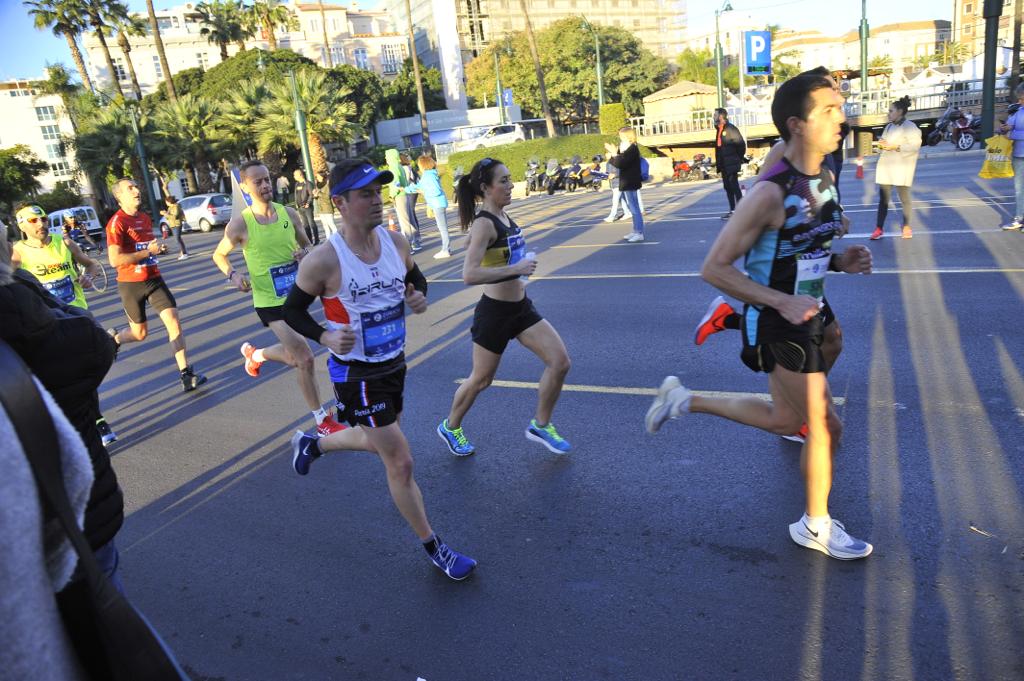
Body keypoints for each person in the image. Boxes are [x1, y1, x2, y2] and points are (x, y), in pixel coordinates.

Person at [645, 74, 874, 560]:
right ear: (797, 124)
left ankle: (683, 400)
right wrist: (778, 302)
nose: (843, 117)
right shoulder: (768, 194)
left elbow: (804, 245)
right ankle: (815, 524)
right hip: (777, 320)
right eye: (830, 110)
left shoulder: (824, 177)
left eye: (842, 106)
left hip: (808, 306)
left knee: (785, 417)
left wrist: (839, 260)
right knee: (824, 421)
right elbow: (714, 267)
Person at [281, 158, 477, 581]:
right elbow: (291, 310)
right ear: (340, 202)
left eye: (378, 191)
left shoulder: (396, 242)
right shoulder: (323, 261)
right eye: (366, 193)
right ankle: (435, 548)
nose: (377, 200)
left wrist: (418, 297)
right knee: (400, 460)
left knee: (380, 442)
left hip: (394, 364)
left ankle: (313, 445)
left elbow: (417, 281)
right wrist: (324, 337)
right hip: (355, 375)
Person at [694, 67, 851, 444]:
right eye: (832, 97)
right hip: (782, 281)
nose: (840, 106)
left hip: (807, 277)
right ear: (800, 120)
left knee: (833, 341)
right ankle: (806, 412)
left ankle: (799, 404)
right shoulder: (787, 150)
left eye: (840, 97)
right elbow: (771, 198)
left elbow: (813, 196)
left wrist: (832, 217)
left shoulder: (827, 143)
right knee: (825, 428)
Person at [1, 226, 127, 587]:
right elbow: (96, 346)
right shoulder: (21, 286)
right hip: (75, 516)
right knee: (103, 615)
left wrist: (83, 274)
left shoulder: (61, 243)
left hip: (32, 528)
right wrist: (26, 286)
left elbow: (89, 264)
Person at [436, 157, 572, 457]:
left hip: (521, 309)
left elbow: (488, 253)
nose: (511, 186)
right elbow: (469, 275)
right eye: (504, 181)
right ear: (485, 188)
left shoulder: (500, 218)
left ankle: (540, 424)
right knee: (481, 379)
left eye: (511, 179)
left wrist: (514, 264)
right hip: (495, 313)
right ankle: (451, 426)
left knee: (560, 362)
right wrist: (517, 268)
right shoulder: (485, 223)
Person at [212, 160, 346, 438]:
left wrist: (305, 254)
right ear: (246, 188)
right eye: (257, 182)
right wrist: (234, 276)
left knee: (294, 356)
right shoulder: (240, 224)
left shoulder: (289, 214)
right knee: (305, 358)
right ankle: (321, 420)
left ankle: (255, 354)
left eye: (267, 179)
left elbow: (308, 245)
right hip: (269, 303)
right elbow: (219, 254)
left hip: (296, 299)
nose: (265, 185)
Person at [12, 204, 119, 446]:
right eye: (33, 221)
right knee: (59, 378)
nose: (40, 224)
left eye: (43, 219)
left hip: (77, 316)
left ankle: (97, 418)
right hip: (46, 323)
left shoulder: (65, 243)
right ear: (21, 225)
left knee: (84, 369)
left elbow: (90, 264)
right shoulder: (17, 254)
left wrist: (88, 276)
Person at [105, 178, 207, 392]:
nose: (136, 190)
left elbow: (147, 249)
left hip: (153, 279)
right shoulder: (117, 223)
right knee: (140, 334)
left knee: (173, 321)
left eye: (136, 186)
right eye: (130, 188)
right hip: (131, 284)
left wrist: (157, 251)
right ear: (119, 197)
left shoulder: (143, 217)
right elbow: (115, 260)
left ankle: (186, 374)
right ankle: (115, 338)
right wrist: (147, 252)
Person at [870, 95, 921, 240]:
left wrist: (896, 146)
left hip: (901, 168)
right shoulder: (889, 126)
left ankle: (906, 226)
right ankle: (879, 228)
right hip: (886, 167)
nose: (889, 113)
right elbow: (884, 144)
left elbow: (914, 146)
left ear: (900, 111)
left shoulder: (910, 127)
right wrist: (881, 144)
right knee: (883, 199)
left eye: (891, 111)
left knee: (904, 198)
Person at [604, 126, 646, 242]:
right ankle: (635, 230)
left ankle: (639, 232)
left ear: (628, 136)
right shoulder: (626, 148)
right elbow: (618, 163)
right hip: (627, 181)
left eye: (622, 136)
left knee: (634, 208)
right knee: (632, 208)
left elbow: (622, 164)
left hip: (631, 181)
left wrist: (614, 154)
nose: (620, 138)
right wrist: (612, 156)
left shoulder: (632, 148)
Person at [409, 154, 452, 258]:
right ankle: (446, 248)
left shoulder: (428, 175)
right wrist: (406, 189)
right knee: (442, 227)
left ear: (423, 165)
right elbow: (420, 186)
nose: (418, 166)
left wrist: (424, 192)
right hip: (438, 203)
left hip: (437, 204)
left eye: (419, 164)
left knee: (442, 228)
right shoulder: (429, 174)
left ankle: (446, 249)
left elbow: (435, 191)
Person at [999, 82, 1024, 231]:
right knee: (1019, 189)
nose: (1019, 101)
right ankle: (1019, 217)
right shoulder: (1019, 112)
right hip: (1018, 155)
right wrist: (1004, 128)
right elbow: (1010, 125)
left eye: (1022, 98)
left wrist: (1011, 134)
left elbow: (1014, 133)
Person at [386, 149, 422, 252]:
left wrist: (392, 195)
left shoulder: (392, 168)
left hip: (399, 196)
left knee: (404, 221)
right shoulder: (400, 166)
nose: (386, 158)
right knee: (411, 219)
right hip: (405, 194)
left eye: (387, 156)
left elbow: (395, 184)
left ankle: (408, 246)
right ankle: (416, 241)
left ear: (391, 157)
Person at [714, 108, 747, 219]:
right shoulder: (719, 130)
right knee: (727, 187)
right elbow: (719, 148)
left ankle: (741, 211)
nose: (713, 117)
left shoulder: (731, 129)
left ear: (721, 117)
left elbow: (741, 144)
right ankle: (732, 211)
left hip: (732, 162)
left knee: (734, 186)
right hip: (723, 164)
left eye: (715, 115)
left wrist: (738, 158)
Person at [158, 195, 190, 261]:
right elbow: (168, 217)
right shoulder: (170, 207)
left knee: (177, 239)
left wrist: (165, 214)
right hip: (172, 225)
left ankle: (184, 254)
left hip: (177, 224)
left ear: (169, 201)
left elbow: (175, 216)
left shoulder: (176, 206)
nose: (166, 203)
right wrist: (165, 213)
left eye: (166, 202)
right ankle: (184, 252)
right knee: (178, 239)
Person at [293, 169, 319, 245]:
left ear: (300, 175)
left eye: (295, 175)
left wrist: (308, 203)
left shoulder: (308, 184)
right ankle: (309, 241)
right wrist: (296, 204)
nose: (294, 177)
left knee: (311, 223)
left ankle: (317, 240)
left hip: (307, 207)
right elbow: (296, 195)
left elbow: (311, 194)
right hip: (300, 208)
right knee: (305, 225)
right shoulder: (297, 184)